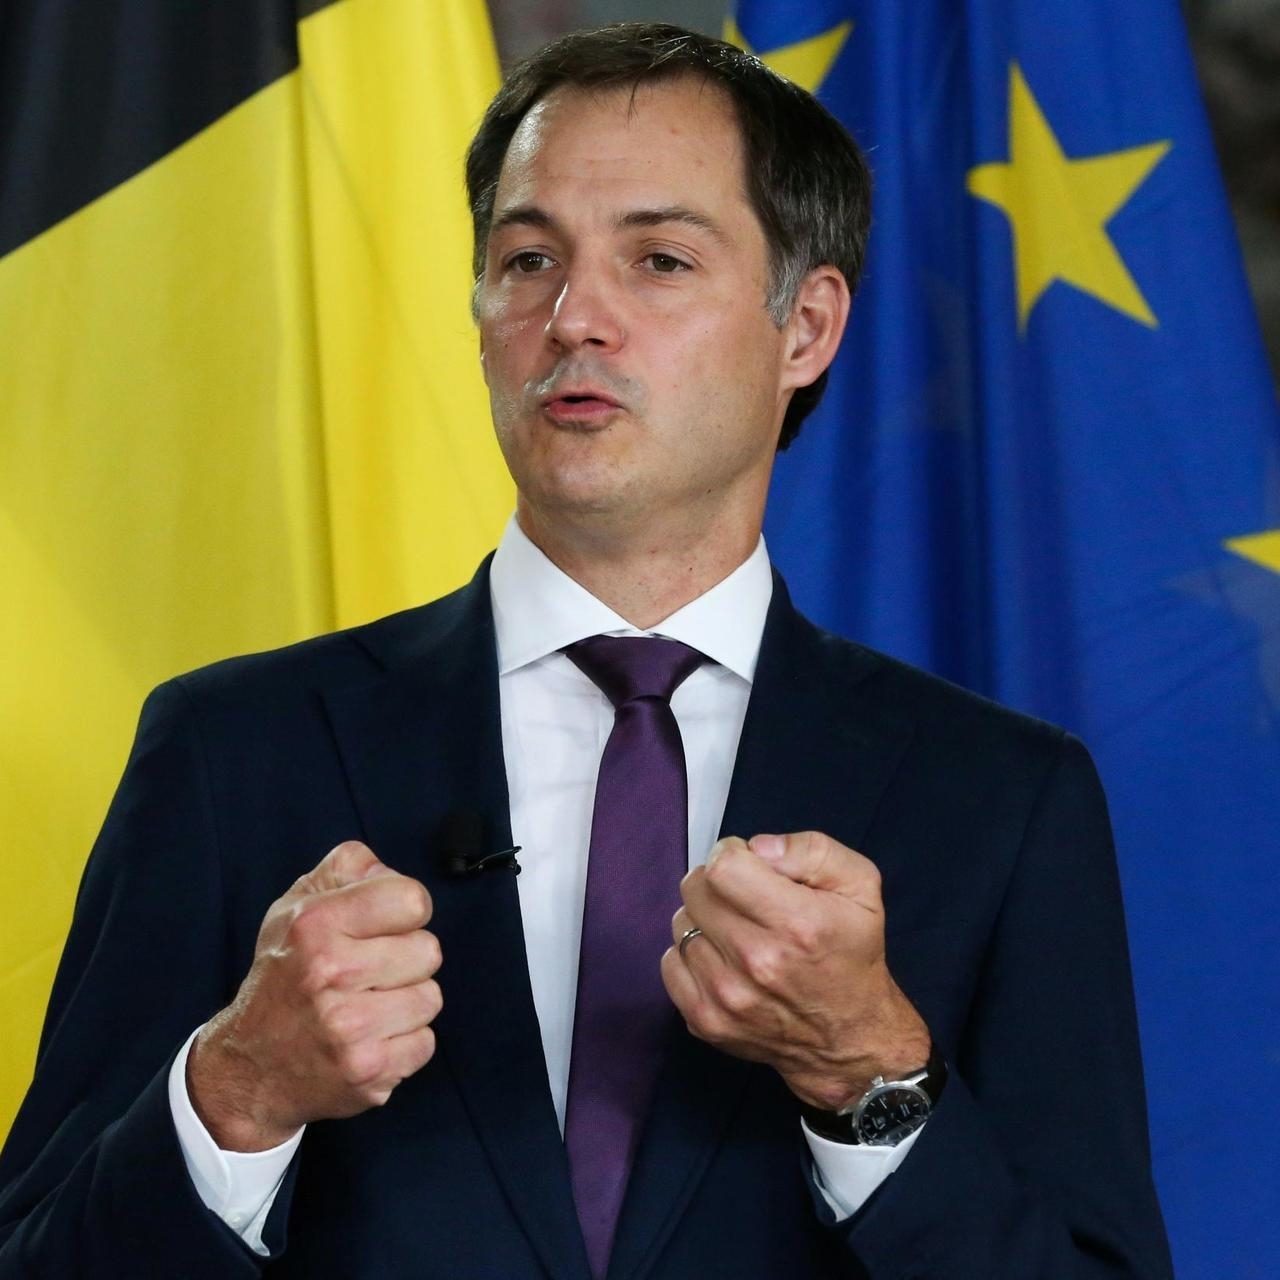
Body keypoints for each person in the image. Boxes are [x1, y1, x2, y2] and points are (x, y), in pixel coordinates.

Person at [0, 23, 1172, 1280]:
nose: (572, 319)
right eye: (527, 260)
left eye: (657, 259)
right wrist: (237, 1087)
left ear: (805, 326)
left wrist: (870, 1073)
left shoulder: (999, 796)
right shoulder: (232, 751)